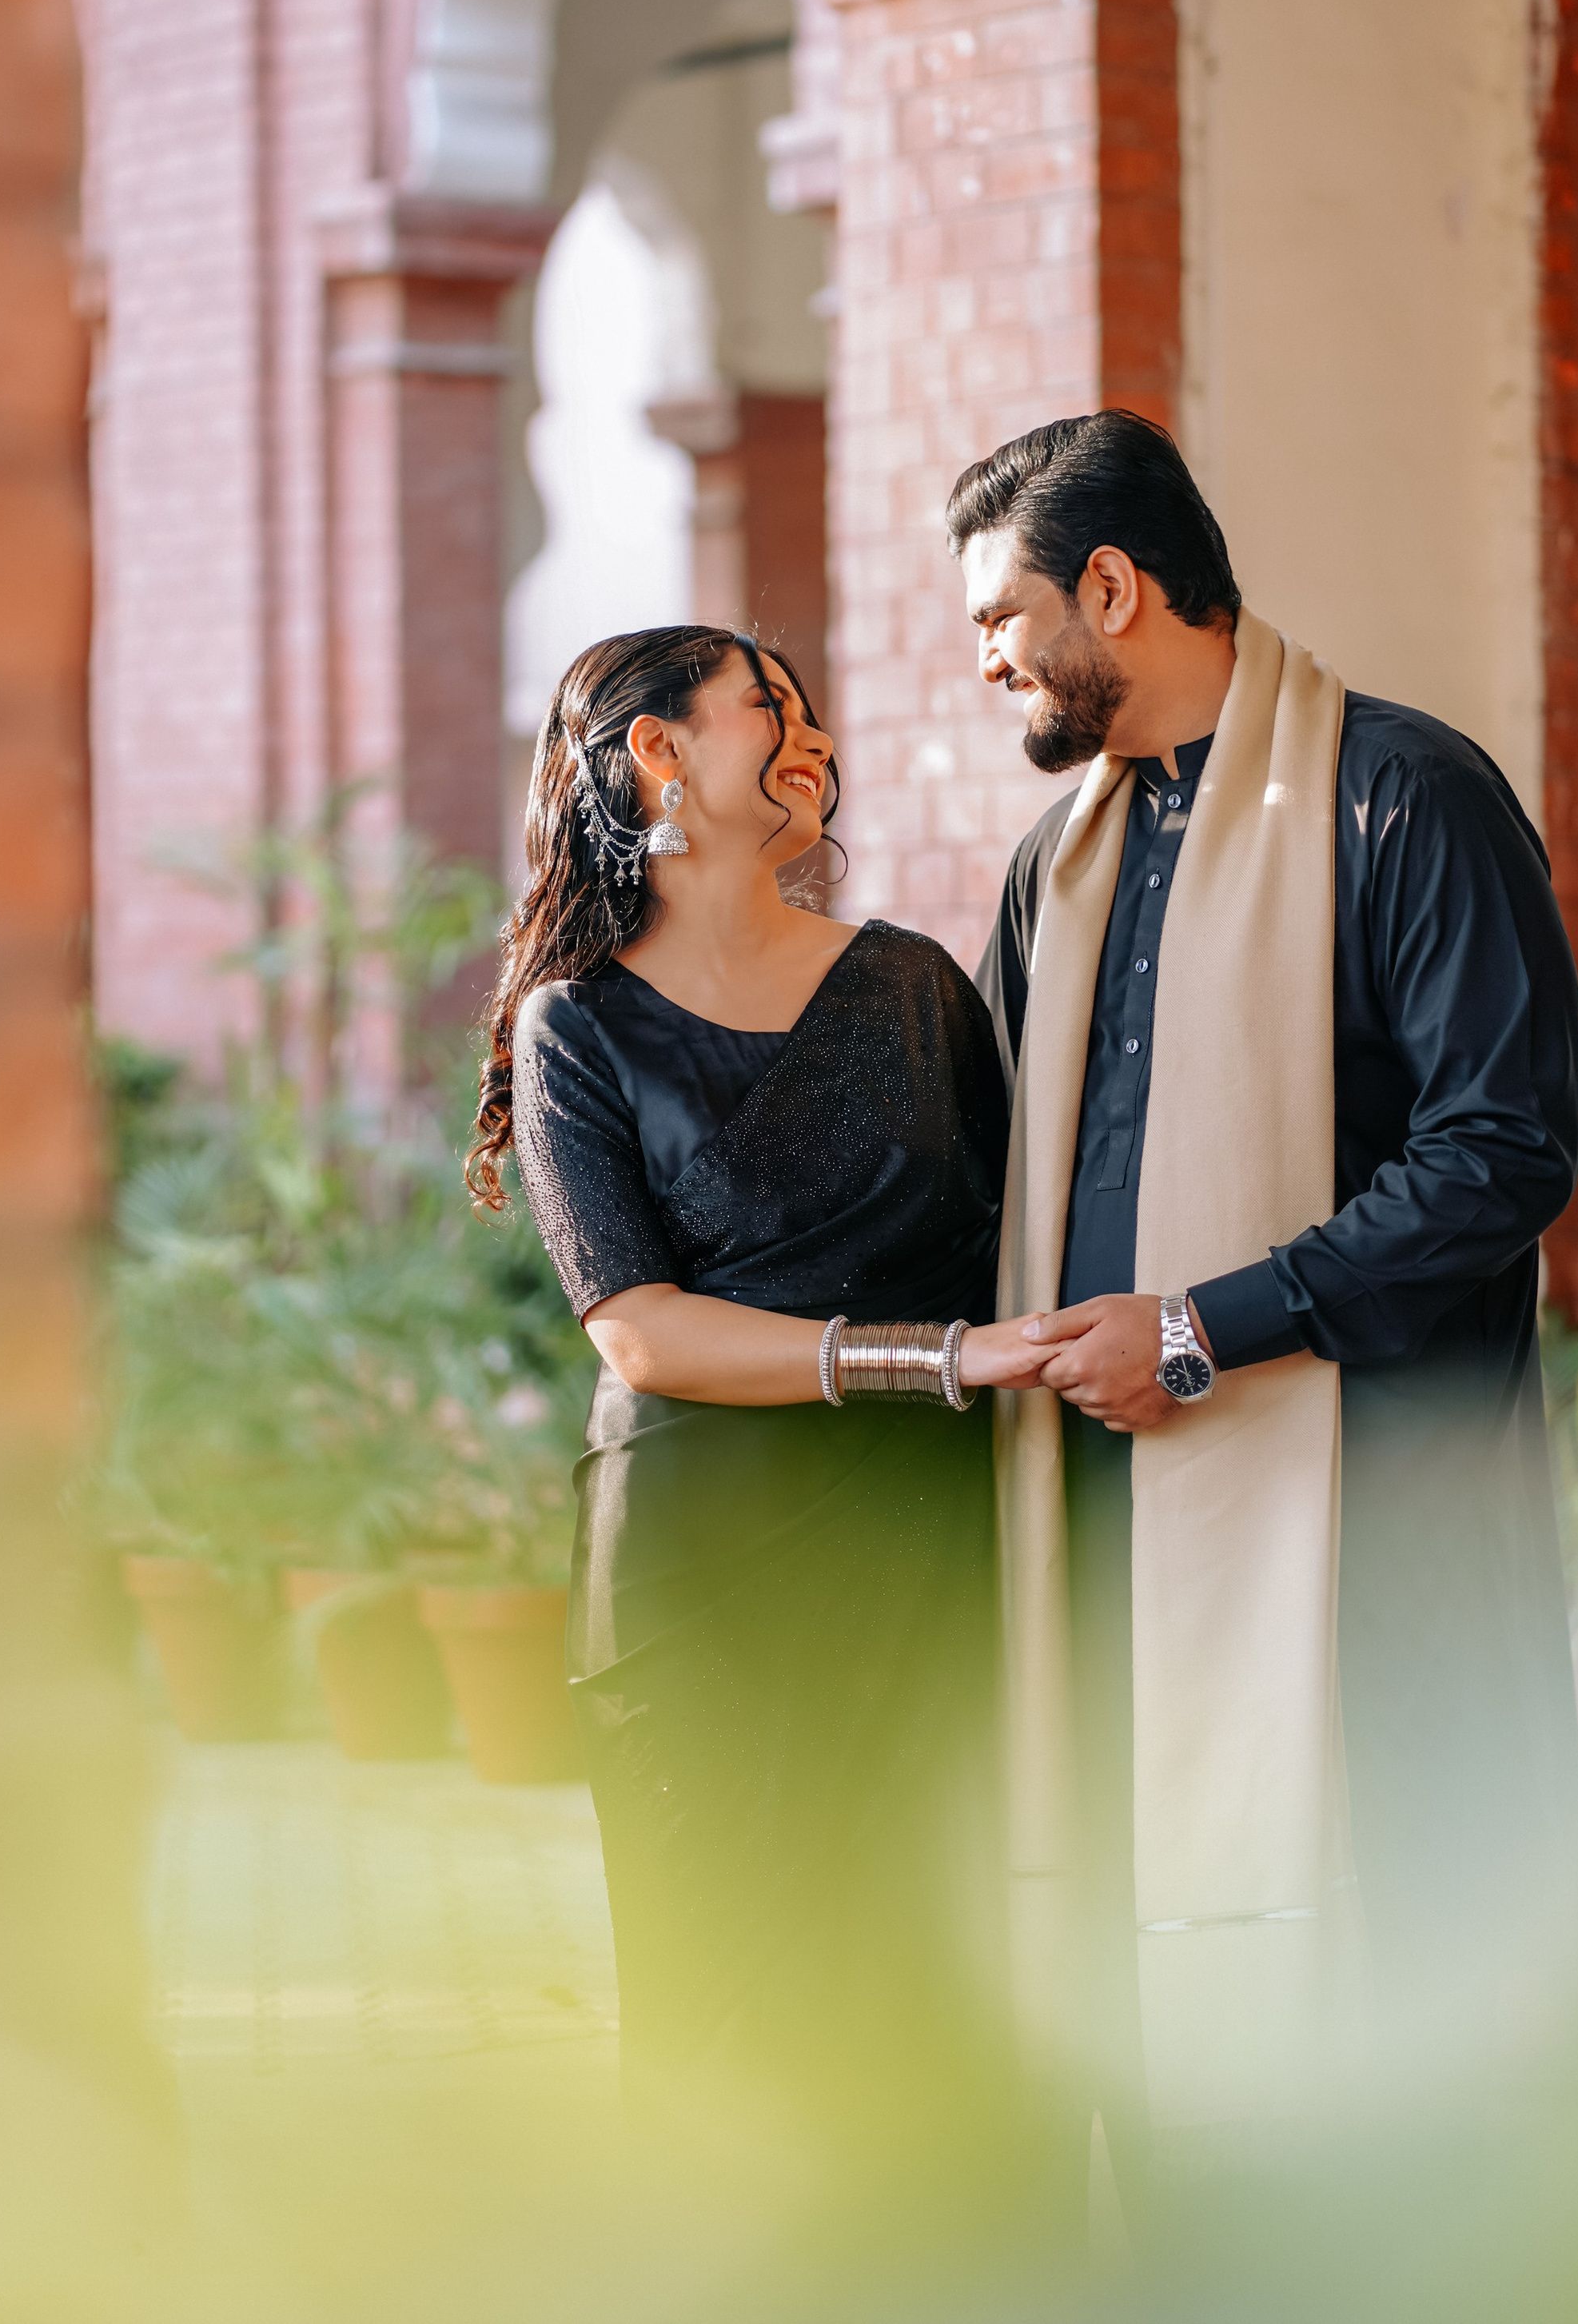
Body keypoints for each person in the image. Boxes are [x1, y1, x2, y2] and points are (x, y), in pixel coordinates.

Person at [954, 412, 1578, 2197]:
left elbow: (1501, 1150)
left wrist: (1202, 1322)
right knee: (1146, 2000)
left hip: (1371, 1515)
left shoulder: (1404, 794)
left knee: (1398, 2007)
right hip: (1100, 1506)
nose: (982, 655)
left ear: (1112, 585)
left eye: (999, 612)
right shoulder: (1052, 863)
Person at [467, 624, 1050, 2186]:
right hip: (702, 1573)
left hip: (918, 1549)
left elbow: (1024, 1240)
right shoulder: (575, 1021)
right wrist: (927, 1360)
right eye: (764, 709)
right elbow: (637, 1330)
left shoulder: (916, 985)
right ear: (658, 750)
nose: (803, 739)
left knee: (936, 1983)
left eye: (806, 715)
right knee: (728, 2005)